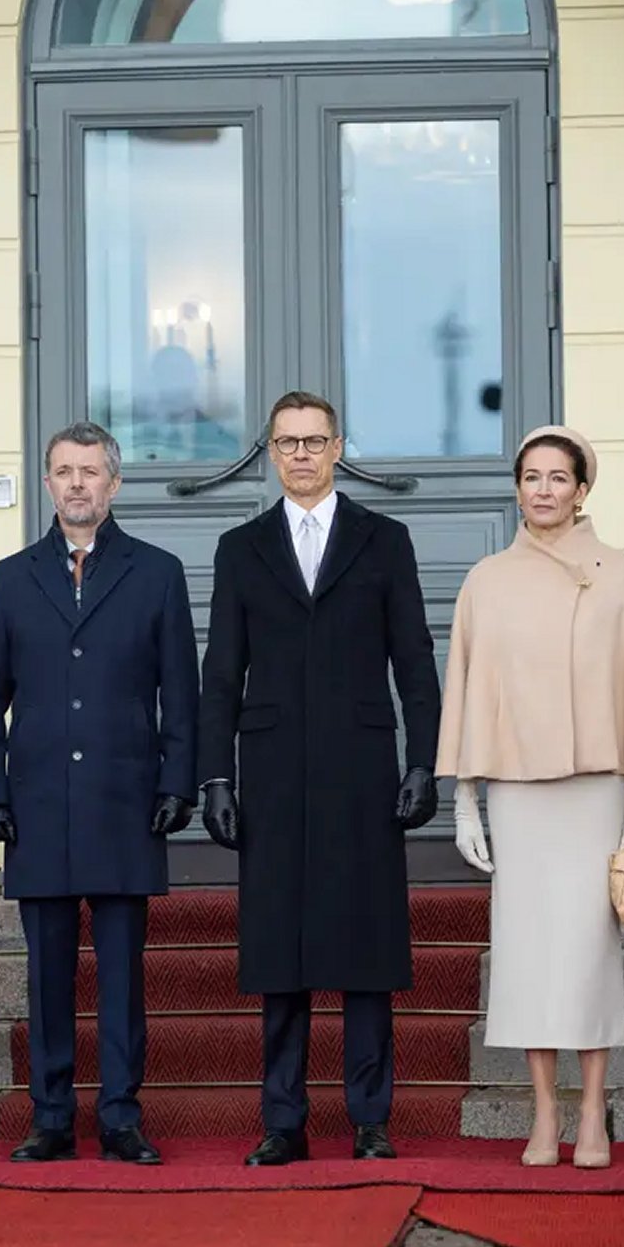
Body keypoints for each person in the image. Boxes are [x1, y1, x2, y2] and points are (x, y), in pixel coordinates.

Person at [436, 425, 624, 1169]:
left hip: (591, 788)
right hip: (517, 791)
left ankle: (592, 1113)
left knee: (586, 950)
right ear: (517, 487)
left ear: (582, 489)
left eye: (558, 477)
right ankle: (543, 1115)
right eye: (531, 476)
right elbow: (469, 692)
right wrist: (466, 801)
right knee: (525, 952)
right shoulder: (487, 579)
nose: (543, 489)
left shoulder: (618, 575)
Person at [198, 391, 442, 1165]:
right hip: (270, 774)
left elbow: (415, 663)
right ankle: (284, 1121)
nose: (301, 454)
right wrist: (216, 779)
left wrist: (422, 761)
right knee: (280, 954)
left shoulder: (385, 540)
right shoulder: (240, 549)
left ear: (338, 447)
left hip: (363, 772)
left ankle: (371, 1117)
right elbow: (220, 675)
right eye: (287, 443)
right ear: (271, 453)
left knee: (366, 951)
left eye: (314, 441)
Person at [0, 421, 199, 1165]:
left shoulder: (157, 572)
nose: (77, 484)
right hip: (37, 802)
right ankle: (53, 1115)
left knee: (124, 973)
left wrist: (177, 781)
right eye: (64, 471)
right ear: (46, 483)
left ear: (114, 483)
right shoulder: (11, 577)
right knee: (48, 974)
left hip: (125, 798)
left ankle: (123, 1115)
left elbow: (181, 694)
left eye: (91, 471)